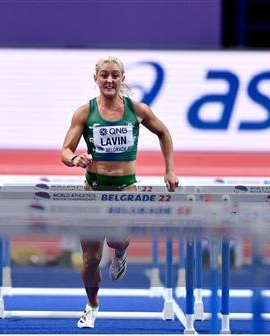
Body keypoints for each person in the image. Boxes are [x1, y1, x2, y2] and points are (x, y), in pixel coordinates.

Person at [60, 56, 179, 328]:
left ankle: (121, 253)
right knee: (90, 260)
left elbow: (163, 133)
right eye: (104, 75)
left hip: (126, 189)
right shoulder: (84, 112)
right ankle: (92, 305)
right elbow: (65, 151)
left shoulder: (137, 110)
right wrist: (74, 159)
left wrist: (169, 170)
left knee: (115, 240)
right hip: (93, 190)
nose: (109, 80)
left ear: (123, 79)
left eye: (115, 75)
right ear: (96, 79)